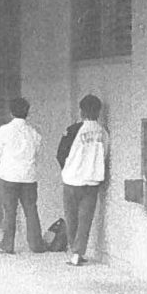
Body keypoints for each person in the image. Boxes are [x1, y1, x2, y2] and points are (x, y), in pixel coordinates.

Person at [59, 94, 110, 266]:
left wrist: (68, 168)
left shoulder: (73, 129)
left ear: (81, 111)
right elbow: (105, 155)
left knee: (71, 217)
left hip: (72, 180)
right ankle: (78, 252)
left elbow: (60, 154)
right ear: (98, 112)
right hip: (92, 182)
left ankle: (73, 249)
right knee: (85, 219)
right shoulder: (103, 132)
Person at [0, 97, 46, 254]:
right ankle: (36, 245)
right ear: (27, 113)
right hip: (28, 176)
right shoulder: (34, 133)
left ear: (10, 112)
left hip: (8, 175)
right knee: (31, 209)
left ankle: (7, 245)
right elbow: (36, 153)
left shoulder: (4, 130)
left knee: (9, 211)